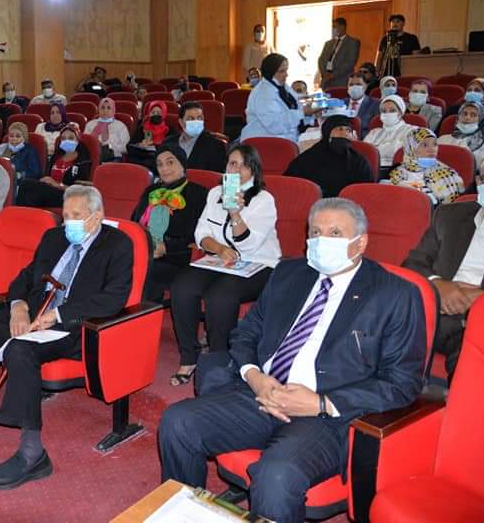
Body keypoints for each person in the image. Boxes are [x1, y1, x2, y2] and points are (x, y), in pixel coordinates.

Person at [158, 198, 426, 523]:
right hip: (262, 393)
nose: (322, 240)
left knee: (276, 476)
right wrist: (255, 377)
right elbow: (246, 333)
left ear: (361, 243)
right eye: (316, 232)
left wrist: (322, 403)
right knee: (177, 422)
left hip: (326, 417)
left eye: (335, 233)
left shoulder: (395, 294)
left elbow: (402, 382)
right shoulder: (289, 273)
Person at [0, 185, 133, 489]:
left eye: (76, 215)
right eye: (66, 215)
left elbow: (113, 298)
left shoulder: (118, 245)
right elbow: (25, 277)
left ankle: (33, 453)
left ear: (97, 215)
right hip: (33, 314)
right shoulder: (53, 238)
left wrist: (58, 315)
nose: (69, 222)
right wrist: (18, 307)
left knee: (19, 351)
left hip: (74, 326)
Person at [168, 144, 280, 385]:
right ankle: (189, 356)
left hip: (259, 263)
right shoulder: (215, 193)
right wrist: (220, 249)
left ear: (253, 170)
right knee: (182, 286)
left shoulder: (263, 200)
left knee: (220, 295)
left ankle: (218, 363)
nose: (236, 170)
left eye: (244, 165)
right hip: (220, 259)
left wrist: (235, 214)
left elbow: (250, 246)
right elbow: (201, 233)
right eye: (232, 164)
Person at [403, 156, 484, 379]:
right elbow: (413, 265)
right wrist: (438, 286)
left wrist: (482, 301)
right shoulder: (450, 215)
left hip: (479, 322)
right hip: (429, 308)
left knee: (472, 357)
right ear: (478, 182)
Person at [132, 144, 208, 303]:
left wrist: (166, 248)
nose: (164, 168)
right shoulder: (150, 192)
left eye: (170, 162)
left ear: (182, 165)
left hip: (175, 258)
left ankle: (143, 315)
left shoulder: (199, 194)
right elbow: (134, 223)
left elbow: (197, 236)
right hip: (143, 250)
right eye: (160, 164)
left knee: (145, 270)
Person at [284, 115, 374, 197]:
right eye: (340, 129)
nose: (345, 133)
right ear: (327, 132)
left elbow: (365, 192)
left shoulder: (359, 161)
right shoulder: (307, 159)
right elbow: (291, 187)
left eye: (348, 130)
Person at [241, 53, 312, 143]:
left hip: (285, 139)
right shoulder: (263, 93)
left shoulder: (281, 86)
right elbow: (275, 125)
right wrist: (302, 113)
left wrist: (310, 107)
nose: (286, 74)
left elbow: (294, 104)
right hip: (265, 143)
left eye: (286, 70)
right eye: (282, 71)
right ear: (271, 72)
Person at [16, 125, 92, 208]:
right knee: (26, 186)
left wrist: (58, 185)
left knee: (27, 186)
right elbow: (47, 176)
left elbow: (81, 189)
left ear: (77, 140)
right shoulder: (56, 157)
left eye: (71, 138)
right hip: (50, 191)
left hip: (68, 195)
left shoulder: (82, 161)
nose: (67, 141)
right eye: (63, 138)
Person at [389, 127, 465, 205]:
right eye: (425, 145)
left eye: (435, 144)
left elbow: (452, 205)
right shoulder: (396, 173)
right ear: (411, 148)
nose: (432, 149)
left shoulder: (448, 173)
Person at [165, 102, 226, 172]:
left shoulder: (216, 145)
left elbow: (218, 175)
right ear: (181, 122)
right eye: (191, 118)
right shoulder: (168, 143)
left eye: (199, 118)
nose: (196, 122)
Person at [364, 94, 416, 175]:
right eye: (384, 111)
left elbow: (399, 153)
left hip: (396, 172)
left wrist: (375, 149)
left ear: (401, 113)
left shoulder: (412, 131)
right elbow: (365, 153)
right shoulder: (374, 132)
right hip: (369, 169)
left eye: (392, 110)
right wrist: (389, 147)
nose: (387, 113)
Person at [0, 122, 42, 187]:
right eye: (11, 136)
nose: (14, 138)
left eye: (18, 136)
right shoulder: (1, 148)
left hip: (20, 183)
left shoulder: (30, 150)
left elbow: (35, 172)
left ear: (24, 137)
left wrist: (19, 175)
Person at [317, 17, 360, 89]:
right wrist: (324, 74)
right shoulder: (328, 43)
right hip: (326, 81)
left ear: (342, 27)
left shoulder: (352, 43)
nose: (333, 29)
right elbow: (321, 60)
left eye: (334, 27)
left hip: (341, 81)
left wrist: (333, 75)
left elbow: (350, 63)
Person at [345, 72, 379, 138]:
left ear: (366, 86)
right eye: (351, 84)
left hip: (363, 141)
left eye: (358, 84)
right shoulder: (340, 103)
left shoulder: (376, 104)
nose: (354, 87)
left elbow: (375, 130)